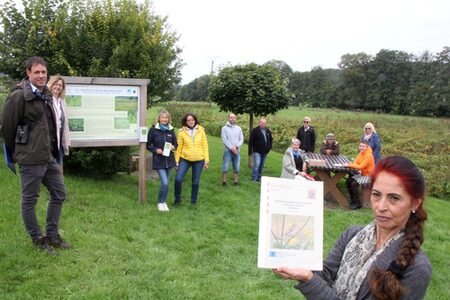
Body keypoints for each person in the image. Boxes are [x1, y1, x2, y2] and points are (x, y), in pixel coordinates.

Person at [273, 156, 432, 300]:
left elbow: (316, 282)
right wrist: (301, 267)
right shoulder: (352, 235)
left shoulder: (416, 268)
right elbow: (326, 274)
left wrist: (309, 279)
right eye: (376, 194)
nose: (381, 206)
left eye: (394, 198)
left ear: (414, 203)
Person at [1, 56, 70, 256]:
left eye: (43, 72)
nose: (41, 75)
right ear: (28, 74)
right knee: (30, 200)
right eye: (36, 72)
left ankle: (52, 235)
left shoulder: (46, 94)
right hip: (30, 158)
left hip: (47, 156)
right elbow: (7, 128)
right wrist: (17, 152)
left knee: (59, 193)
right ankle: (37, 239)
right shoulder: (19, 96)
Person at [174, 113, 209, 206]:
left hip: (199, 160)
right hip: (185, 159)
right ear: (186, 121)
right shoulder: (181, 132)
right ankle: (177, 200)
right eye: (188, 120)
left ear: (195, 120)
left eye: (192, 119)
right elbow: (179, 148)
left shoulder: (201, 130)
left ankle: (193, 202)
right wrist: (177, 162)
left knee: (195, 182)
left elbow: (205, 146)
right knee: (178, 179)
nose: (190, 121)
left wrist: (206, 160)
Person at [147, 109, 177, 212]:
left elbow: (175, 143)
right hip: (159, 160)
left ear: (169, 119)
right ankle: (160, 202)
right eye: (162, 117)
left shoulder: (171, 130)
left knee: (167, 183)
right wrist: (156, 150)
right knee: (164, 182)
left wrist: (173, 147)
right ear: (159, 119)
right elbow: (148, 145)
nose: (164, 119)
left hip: (169, 160)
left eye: (166, 117)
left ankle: (164, 202)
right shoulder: (153, 130)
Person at [344, 140, 375, 210]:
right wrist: (354, 165)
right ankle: (353, 200)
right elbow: (356, 162)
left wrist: (349, 165)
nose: (361, 148)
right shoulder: (361, 153)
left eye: (363, 146)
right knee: (349, 181)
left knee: (354, 184)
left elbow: (360, 166)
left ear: (367, 147)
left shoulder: (368, 156)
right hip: (363, 174)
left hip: (369, 176)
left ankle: (358, 204)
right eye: (360, 146)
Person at [47, 75, 70, 165]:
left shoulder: (62, 102)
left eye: (60, 85)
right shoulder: (46, 99)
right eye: (56, 84)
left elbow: (64, 123)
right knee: (51, 170)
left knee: (58, 167)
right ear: (51, 85)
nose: (58, 87)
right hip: (49, 141)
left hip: (59, 140)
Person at [221, 113, 244, 186]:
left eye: (234, 117)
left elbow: (241, 139)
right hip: (228, 151)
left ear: (235, 118)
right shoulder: (224, 128)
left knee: (236, 168)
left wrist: (237, 146)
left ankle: (235, 181)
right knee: (225, 167)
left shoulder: (239, 128)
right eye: (231, 117)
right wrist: (231, 148)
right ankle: (224, 182)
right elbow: (224, 140)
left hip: (237, 151)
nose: (233, 119)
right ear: (228, 118)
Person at [248, 118, 272, 182]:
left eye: (264, 123)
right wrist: (250, 151)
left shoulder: (267, 131)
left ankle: (259, 177)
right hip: (257, 151)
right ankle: (254, 178)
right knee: (257, 164)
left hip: (265, 151)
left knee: (261, 165)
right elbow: (251, 141)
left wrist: (269, 148)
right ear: (259, 123)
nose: (263, 124)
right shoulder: (255, 130)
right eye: (262, 123)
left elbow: (270, 140)